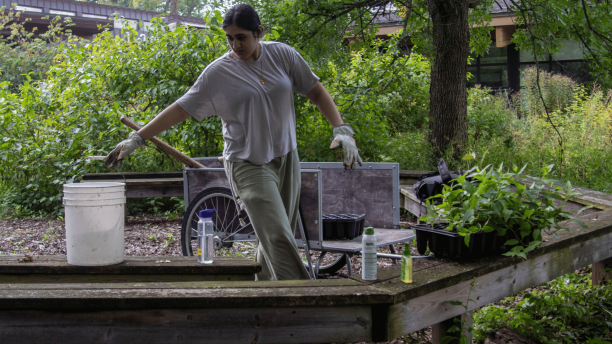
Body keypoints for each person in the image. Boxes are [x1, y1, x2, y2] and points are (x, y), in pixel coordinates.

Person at [104, 3, 362, 281]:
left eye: (241, 37)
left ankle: (263, 300)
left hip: (286, 159)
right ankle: (308, 302)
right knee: (278, 236)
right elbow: (180, 108)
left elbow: (316, 92)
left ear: (258, 32)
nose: (235, 44)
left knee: (273, 237)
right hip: (247, 164)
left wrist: (341, 129)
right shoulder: (218, 74)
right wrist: (139, 136)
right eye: (229, 38)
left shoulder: (282, 55)